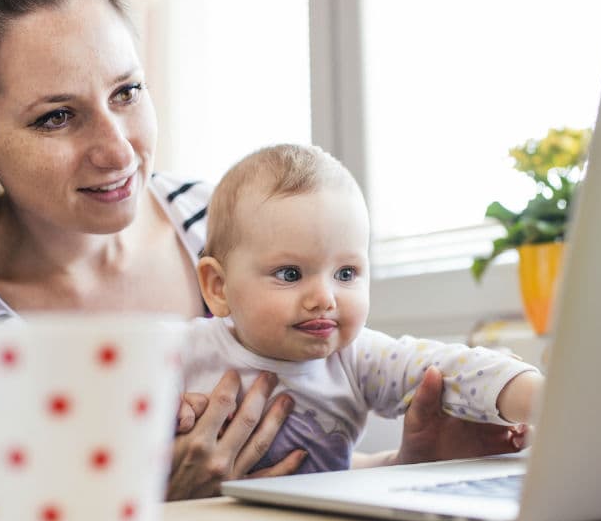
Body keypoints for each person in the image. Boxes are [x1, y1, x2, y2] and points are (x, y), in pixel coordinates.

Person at [0, 0, 526, 521]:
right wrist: (148, 513)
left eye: (127, 93)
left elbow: (279, 469)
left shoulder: (216, 223)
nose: (118, 149)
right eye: (56, 117)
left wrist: (404, 467)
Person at [177, 144, 544, 473]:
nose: (324, 298)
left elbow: (448, 369)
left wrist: (547, 401)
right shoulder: (180, 352)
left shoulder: (356, 358)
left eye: (346, 272)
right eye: (290, 274)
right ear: (218, 287)